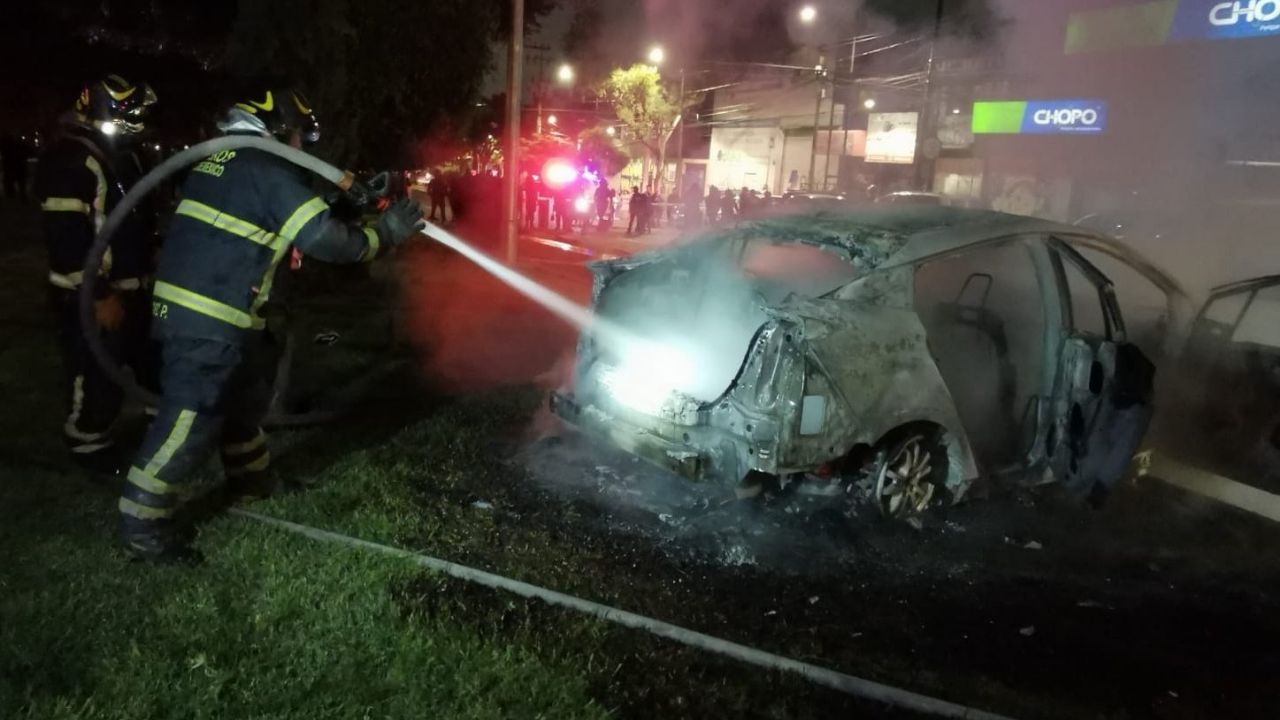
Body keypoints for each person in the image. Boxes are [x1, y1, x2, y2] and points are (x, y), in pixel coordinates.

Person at [117, 86, 425, 563]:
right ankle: (142, 526)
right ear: (279, 129)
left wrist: (354, 199)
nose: (302, 147)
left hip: (205, 311)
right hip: (207, 317)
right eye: (300, 136)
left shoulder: (228, 163)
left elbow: (287, 210)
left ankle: (253, 482)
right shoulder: (264, 171)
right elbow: (326, 240)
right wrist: (383, 235)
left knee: (241, 404)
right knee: (190, 420)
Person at [34, 74, 159, 479]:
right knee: (96, 373)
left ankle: (163, 426)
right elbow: (66, 237)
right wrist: (99, 294)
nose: (138, 119)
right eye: (131, 111)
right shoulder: (70, 159)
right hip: (90, 296)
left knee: (152, 362)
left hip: (134, 287)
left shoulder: (123, 154)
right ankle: (88, 444)